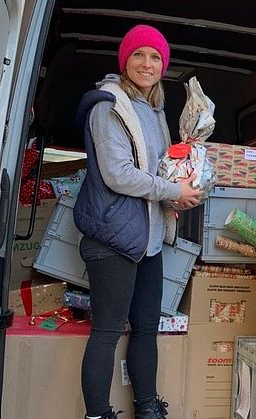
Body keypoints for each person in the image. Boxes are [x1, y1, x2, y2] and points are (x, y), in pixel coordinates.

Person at [73, 25, 201, 419]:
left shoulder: (154, 109)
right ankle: (97, 415)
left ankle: (147, 406)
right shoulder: (107, 105)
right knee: (107, 332)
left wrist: (188, 176)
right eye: (139, 55)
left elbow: (161, 169)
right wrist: (172, 191)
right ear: (124, 60)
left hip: (149, 239)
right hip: (113, 238)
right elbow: (117, 173)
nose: (148, 64)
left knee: (147, 329)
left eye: (156, 57)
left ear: (164, 66)